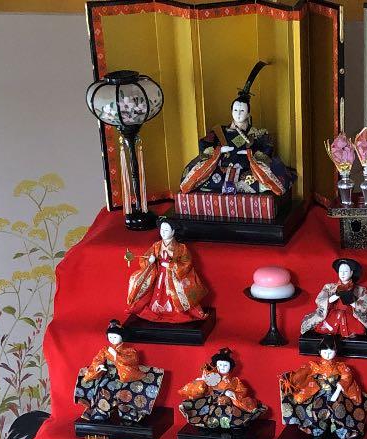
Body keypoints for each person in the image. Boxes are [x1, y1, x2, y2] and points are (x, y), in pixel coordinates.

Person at [179, 61, 295, 197]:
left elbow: (267, 149)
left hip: (247, 171)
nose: (238, 113)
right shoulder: (219, 131)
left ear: (248, 114)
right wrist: (219, 151)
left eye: (242, 110)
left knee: (259, 183)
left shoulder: (256, 133)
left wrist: (250, 154)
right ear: (231, 111)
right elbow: (204, 145)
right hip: (221, 170)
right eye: (235, 110)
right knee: (207, 182)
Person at [279, 338, 367, 439]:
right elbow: (301, 374)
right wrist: (290, 379)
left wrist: (337, 392)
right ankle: (315, 429)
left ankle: (343, 431)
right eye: (325, 352)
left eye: (330, 352)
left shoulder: (341, 366)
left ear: (335, 352)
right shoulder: (313, 366)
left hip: (337, 392)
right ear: (320, 352)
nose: (328, 355)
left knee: (339, 408)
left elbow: (347, 377)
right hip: (320, 392)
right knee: (316, 408)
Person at [75, 321, 163, 426]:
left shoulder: (130, 351)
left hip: (124, 378)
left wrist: (116, 356)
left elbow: (132, 361)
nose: (112, 339)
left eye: (115, 337)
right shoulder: (105, 350)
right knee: (102, 391)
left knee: (125, 395)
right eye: (110, 337)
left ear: (122, 337)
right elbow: (97, 360)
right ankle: (100, 414)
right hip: (108, 377)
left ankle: (128, 415)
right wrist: (99, 366)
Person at [125, 219, 208, 324]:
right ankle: (156, 309)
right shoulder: (156, 245)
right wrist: (149, 261)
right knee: (157, 290)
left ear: (173, 231)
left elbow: (187, 263)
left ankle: (176, 311)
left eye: (166, 230)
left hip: (173, 276)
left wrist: (171, 265)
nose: (163, 232)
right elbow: (145, 257)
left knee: (174, 293)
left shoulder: (181, 248)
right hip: (160, 273)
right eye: (162, 230)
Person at [178, 348, 266, 429]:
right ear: (216, 365)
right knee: (203, 411)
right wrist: (202, 381)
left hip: (228, 403)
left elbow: (242, 391)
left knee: (233, 414)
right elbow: (202, 390)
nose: (222, 367)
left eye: (225, 365)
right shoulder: (211, 377)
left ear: (230, 367)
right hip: (212, 401)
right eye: (220, 365)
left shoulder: (235, 381)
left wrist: (231, 393)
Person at [300, 259, 367, 339]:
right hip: (333, 314)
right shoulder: (329, 287)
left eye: (345, 271)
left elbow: (365, 304)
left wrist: (351, 301)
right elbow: (321, 300)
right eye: (340, 271)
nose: (342, 274)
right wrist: (337, 295)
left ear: (351, 273)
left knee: (360, 329)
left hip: (351, 315)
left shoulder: (360, 290)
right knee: (323, 326)